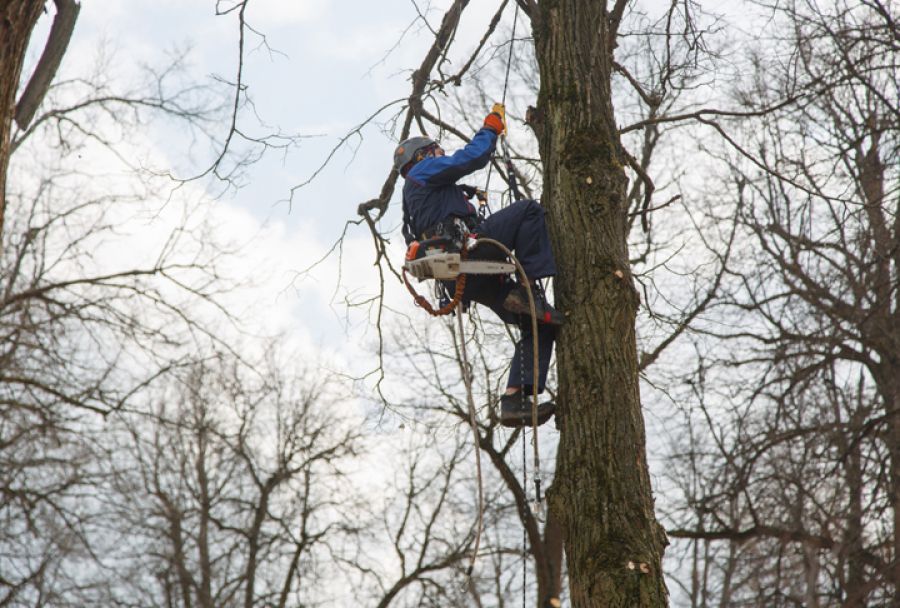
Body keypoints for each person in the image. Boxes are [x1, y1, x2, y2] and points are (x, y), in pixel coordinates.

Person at [394, 106, 563, 428]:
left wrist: (462, 195)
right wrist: (490, 128)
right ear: (422, 156)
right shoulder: (423, 171)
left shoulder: (421, 194)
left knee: (541, 324)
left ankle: (514, 399)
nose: (439, 156)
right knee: (528, 210)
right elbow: (472, 157)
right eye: (435, 153)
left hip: (466, 274)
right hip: (467, 254)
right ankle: (529, 287)